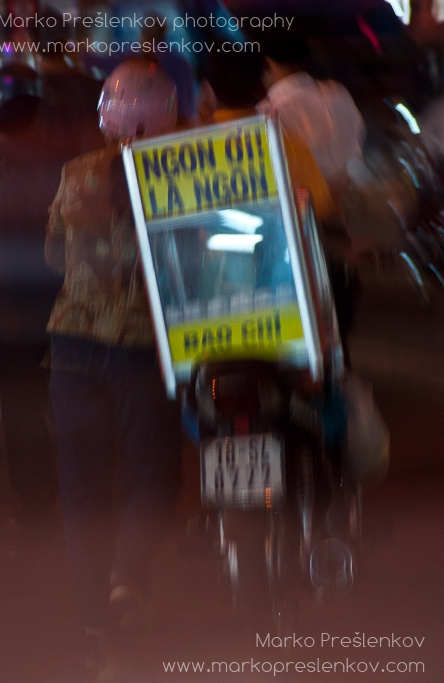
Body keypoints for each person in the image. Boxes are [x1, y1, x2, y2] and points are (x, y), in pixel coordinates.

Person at [44, 59, 183, 671]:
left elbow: (53, 256)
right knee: (153, 472)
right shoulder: (183, 173)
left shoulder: (75, 173)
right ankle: (127, 573)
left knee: (82, 487)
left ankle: (93, 618)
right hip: (142, 347)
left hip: (72, 345)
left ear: (111, 117)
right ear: (165, 116)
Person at [201, 47, 356, 365]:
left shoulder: (184, 151)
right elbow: (320, 210)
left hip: (209, 297)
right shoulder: (288, 146)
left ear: (208, 92)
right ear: (261, 87)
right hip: (279, 292)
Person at [0, 94, 63, 524]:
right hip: (62, 302)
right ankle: (78, 485)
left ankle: (34, 498)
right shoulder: (62, 165)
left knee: (21, 402)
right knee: (69, 395)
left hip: (7, 312)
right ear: (36, 124)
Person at [257, 28, 365, 215]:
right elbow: (355, 154)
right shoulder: (339, 96)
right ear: (305, 59)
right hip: (344, 214)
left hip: (300, 219)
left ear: (267, 63)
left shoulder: (268, 114)